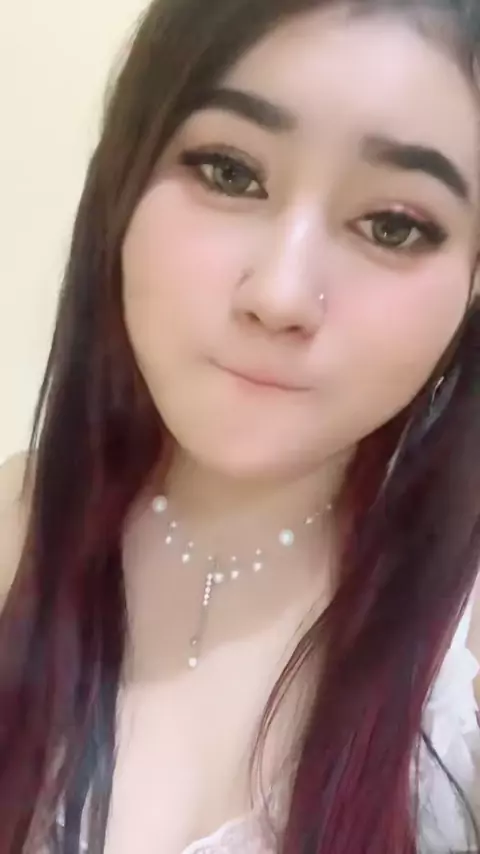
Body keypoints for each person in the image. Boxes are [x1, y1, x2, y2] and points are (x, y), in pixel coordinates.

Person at [1, 0, 480, 851]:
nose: (281, 295)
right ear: (125, 176)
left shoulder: (463, 657)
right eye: (229, 172)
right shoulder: (16, 521)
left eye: (394, 226)